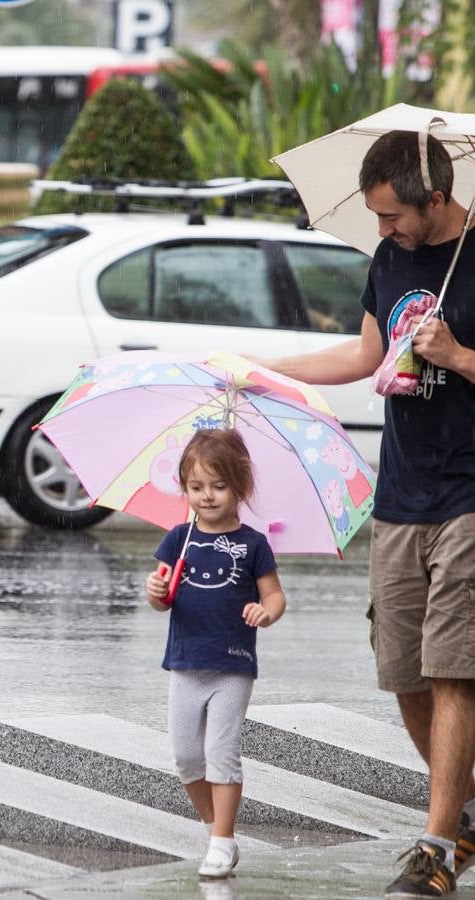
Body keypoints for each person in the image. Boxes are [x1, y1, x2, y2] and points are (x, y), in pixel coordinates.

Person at [258, 130, 475, 899]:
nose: (383, 230)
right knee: (405, 669)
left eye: (393, 217)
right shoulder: (388, 262)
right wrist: (270, 373)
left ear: (438, 201)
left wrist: (456, 356)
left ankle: (437, 848)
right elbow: (363, 356)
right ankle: (465, 810)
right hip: (401, 492)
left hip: (470, 495)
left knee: (455, 667)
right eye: (378, 216)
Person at [144, 428, 285, 880]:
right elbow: (161, 595)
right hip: (185, 663)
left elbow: (277, 597)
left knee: (221, 752)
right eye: (196, 486)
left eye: (218, 486)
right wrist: (155, 591)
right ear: (183, 487)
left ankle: (223, 841)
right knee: (186, 757)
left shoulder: (253, 544)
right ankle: (214, 830)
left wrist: (266, 612)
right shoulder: (177, 538)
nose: (207, 496)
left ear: (240, 486)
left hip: (231, 665)